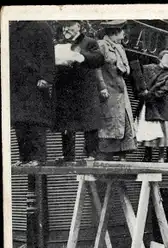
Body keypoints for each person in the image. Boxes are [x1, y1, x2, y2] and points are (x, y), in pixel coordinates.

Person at [53, 20, 105, 162]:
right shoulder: (59, 44)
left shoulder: (89, 42)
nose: (66, 29)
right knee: (66, 123)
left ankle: (91, 155)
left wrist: (81, 55)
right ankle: (68, 155)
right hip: (65, 88)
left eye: (70, 25)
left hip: (84, 89)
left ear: (78, 26)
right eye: (64, 26)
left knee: (90, 123)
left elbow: (99, 59)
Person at [10, 21, 55, 166]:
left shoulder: (41, 26)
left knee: (35, 121)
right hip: (15, 84)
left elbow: (48, 54)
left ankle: (38, 158)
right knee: (19, 122)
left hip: (34, 82)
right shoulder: (11, 28)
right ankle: (24, 158)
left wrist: (46, 77)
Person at [96, 20, 137, 161]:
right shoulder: (102, 45)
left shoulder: (120, 48)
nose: (124, 34)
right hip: (108, 91)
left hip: (121, 91)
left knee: (123, 122)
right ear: (115, 32)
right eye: (122, 31)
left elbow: (126, 70)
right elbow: (96, 68)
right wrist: (101, 87)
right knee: (109, 124)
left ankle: (121, 156)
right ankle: (105, 157)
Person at [130, 50, 168, 163]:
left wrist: (151, 95)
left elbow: (167, 88)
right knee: (147, 129)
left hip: (160, 105)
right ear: (160, 58)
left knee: (162, 131)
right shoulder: (148, 68)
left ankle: (160, 157)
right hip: (147, 104)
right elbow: (138, 80)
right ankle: (147, 155)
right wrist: (141, 92)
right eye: (167, 58)